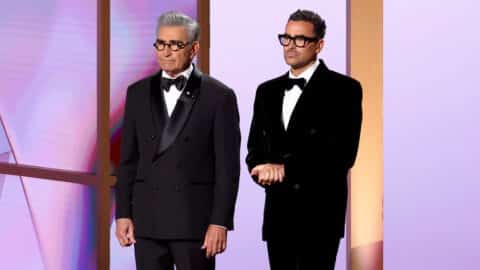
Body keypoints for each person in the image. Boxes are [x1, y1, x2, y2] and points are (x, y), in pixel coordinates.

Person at [114, 11, 240, 270]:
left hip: (194, 223)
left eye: (175, 45)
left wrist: (219, 222)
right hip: (147, 223)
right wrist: (123, 213)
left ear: (194, 49)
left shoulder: (219, 96)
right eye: (161, 43)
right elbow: (127, 161)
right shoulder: (137, 92)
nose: (166, 52)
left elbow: (228, 169)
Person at [246, 9, 363, 270]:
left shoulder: (344, 89)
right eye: (286, 38)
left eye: (300, 40)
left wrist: (284, 169)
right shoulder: (267, 91)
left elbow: (343, 153)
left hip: (319, 215)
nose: (290, 46)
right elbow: (255, 149)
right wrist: (258, 169)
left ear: (319, 45)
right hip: (278, 214)